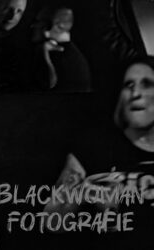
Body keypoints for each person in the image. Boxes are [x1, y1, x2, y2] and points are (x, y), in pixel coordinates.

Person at [43, 56, 154, 248]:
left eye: (147, 84)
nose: (135, 93)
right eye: (128, 85)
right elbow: (51, 222)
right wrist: (82, 193)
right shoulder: (96, 145)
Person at [30, 6, 92, 91]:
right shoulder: (74, 55)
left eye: (39, 22)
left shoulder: (59, 57)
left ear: (57, 26)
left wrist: (43, 53)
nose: (32, 26)